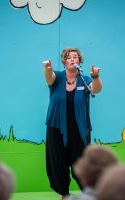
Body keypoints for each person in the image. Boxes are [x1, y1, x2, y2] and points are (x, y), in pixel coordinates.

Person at [43, 47, 102, 199]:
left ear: (79, 61)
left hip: (78, 128)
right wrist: (47, 69)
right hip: (56, 127)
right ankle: (64, 194)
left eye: (75, 57)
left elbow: (96, 89)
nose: (72, 59)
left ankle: (87, 193)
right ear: (64, 61)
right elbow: (49, 78)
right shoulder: (59, 77)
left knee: (81, 162)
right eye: (69, 57)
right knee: (58, 161)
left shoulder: (84, 78)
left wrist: (95, 78)